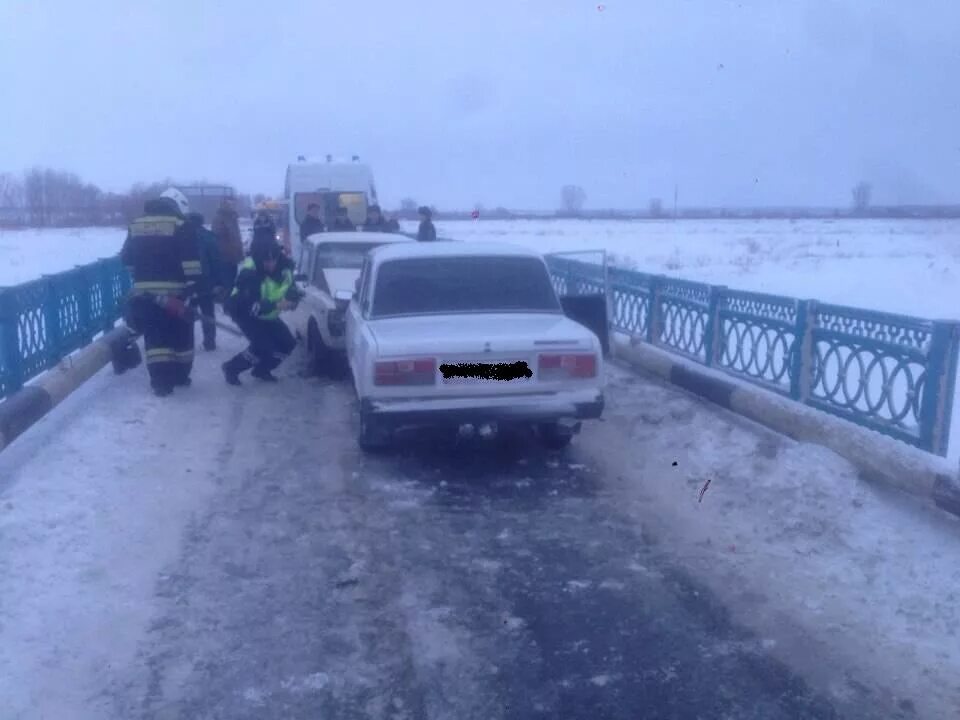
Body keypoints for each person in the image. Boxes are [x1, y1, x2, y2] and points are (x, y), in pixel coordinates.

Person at [121, 188, 204, 397]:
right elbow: (191, 262)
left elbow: (127, 259)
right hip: (176, 293)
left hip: (145, 294)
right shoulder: (181, 225)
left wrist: (140, 279)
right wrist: (194, 287)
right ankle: (180, 375)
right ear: (177, 207)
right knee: (180, 334)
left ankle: (160, 383)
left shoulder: (136, 225)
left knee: (156, 338)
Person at [221, 234, 299, 385]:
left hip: (269, 314)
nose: (270, 264)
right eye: (266, 261)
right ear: (259, 259)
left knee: (288, 343)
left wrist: (293, 298)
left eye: (273, 260)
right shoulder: (249, 275)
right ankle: (231, 368)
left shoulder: (286, 268)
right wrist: (278, 305)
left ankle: (262, 370)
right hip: (244, 313)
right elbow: (252, 306)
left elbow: (291, 288)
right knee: (262, 346)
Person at [185, 211, 222, 351]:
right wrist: (218, 283)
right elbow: (217, 262)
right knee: (207, 311)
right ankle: (209, 342)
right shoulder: (210, 237)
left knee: (187, 312)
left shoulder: (182, 236)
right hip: (206, 282)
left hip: (187, 282)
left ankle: (187, 343)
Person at [212, 197, 244, 291]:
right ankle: (226, 302)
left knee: (232, 282)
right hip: (224, 257)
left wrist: (239, 253)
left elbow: (236, 237)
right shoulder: (219, 218)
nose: (232, 206)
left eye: (232, 204)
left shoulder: (233, 218)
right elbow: (216, 235)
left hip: (233, 257)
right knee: (227, 284)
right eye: (229, 204)